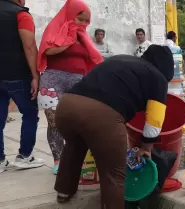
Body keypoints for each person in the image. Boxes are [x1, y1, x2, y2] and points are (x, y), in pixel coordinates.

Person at [53, 45, 173, 208]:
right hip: (100, 116)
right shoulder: (158, 77)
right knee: (114, 172)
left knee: (75, 145)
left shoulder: (120, 59)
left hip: (66, 108)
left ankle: (64, 191)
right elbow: (155, 119)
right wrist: (146, 147)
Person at [37, 0, 103, 175]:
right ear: (70, 14)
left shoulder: (84, 36)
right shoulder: (55, 29)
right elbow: (47, 50)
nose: (82, 24)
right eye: (79, 19)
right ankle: (58, 160)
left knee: (80, 122)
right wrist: (69, 39)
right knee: (54, 122)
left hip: (78, 82)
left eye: (85, 21)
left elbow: (91, 58)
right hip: (52, 81)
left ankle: (77, 158)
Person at [0, 0, 44, 172]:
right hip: (17, 75)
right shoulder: (21, 14)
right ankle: (25, 156)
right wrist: (35, 75)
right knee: (30, 113)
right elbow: (30, 46)